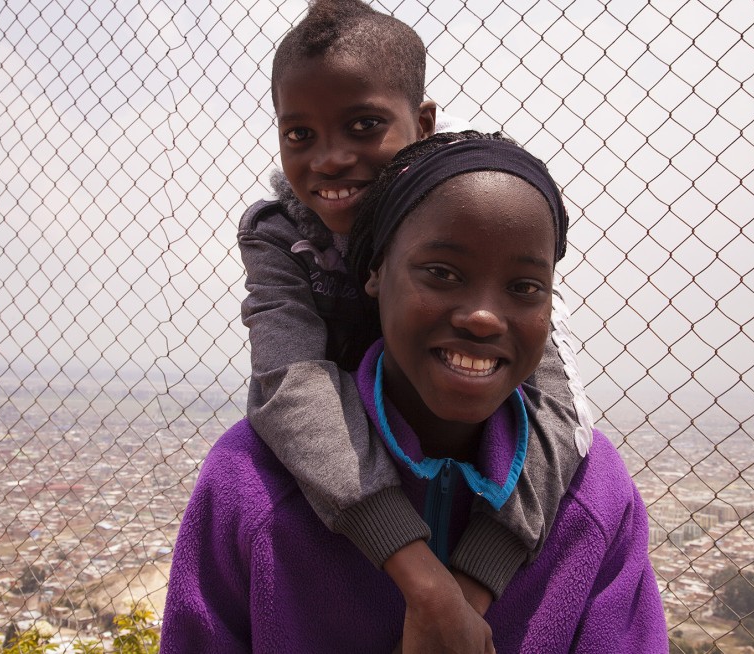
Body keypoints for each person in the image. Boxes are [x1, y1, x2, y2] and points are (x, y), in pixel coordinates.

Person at [161, 131, 668, 653]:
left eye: (524, 287)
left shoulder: (594, 498)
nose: (483, 316)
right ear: (375, 272)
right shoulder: (251, 486)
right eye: (442, 273)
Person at [235, 0, 593, 650]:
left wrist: (471, 587)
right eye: (299, 135)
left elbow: (554, 413)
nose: (330, 160)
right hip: (358, 492)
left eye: (364, 125)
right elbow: (291, 384)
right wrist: (424, 582)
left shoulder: (478, 208)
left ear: (421, 122)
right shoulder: (280, 233)